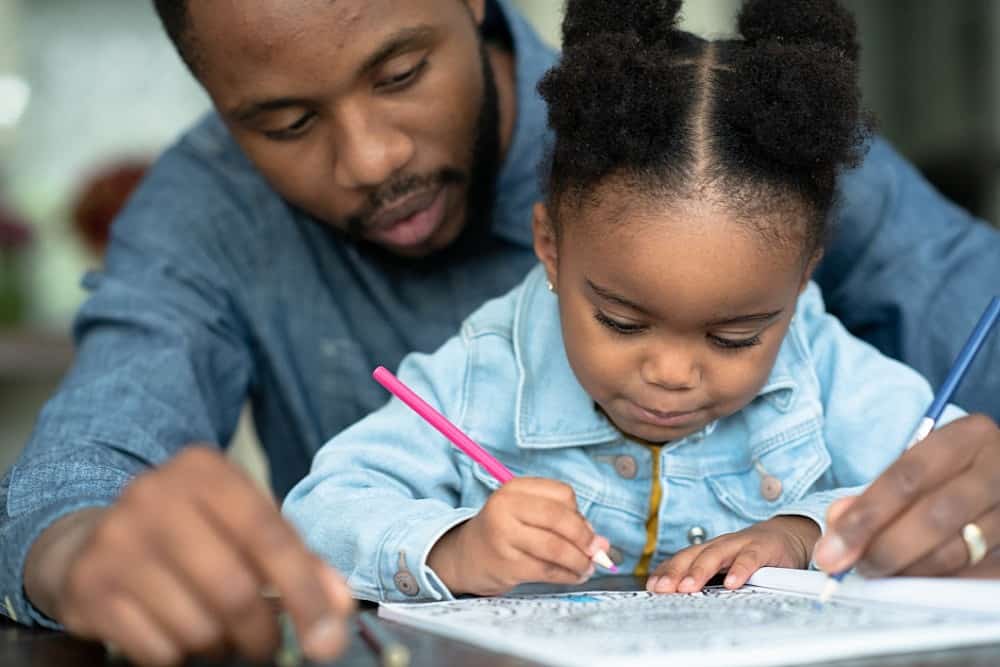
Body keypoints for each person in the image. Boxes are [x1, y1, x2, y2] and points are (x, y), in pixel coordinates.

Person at [0, 0, 997, 662]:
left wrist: (870, 517)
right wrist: (84, 548)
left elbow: (962, 346)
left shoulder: (735, 147)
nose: (369, 156)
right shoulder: (455, 358)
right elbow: (80, 481)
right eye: (285, 122)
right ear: (549, 249)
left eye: (398, 73)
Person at [281, 0, 968, 601]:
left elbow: (940, 476)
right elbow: (316, 515)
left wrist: (802, 533)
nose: (672, 372)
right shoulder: (481, 372)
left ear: (800, 280)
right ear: (549, 245)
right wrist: (454, 546)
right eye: (621, 320)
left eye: (734, 338)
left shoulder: (819, 360)